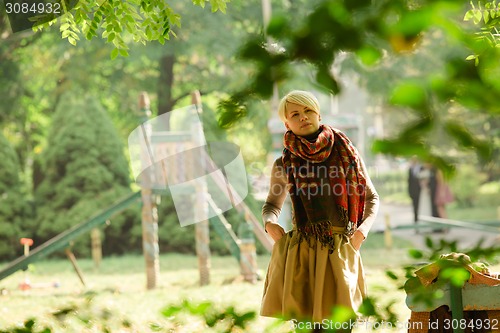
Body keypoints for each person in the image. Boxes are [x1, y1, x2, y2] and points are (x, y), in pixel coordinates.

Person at [260, 90, 379, 330]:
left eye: (308, 111)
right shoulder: (283, 163)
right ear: (286, 123)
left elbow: (371, 198)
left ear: (318, 113)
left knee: (342, 325)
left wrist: (360, 234)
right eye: (295, 114)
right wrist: (269, 224)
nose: (303, 117)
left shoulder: (348, 154)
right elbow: (272, 205)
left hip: (340, 251)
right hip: (302, 255)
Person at [408, 157, 422, 224]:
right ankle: (416, 222)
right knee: (415, 209)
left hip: (421, 192)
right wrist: (410, 192)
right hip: (414, 192)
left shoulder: (422, 168)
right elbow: (409, 182)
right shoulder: (410, 169)